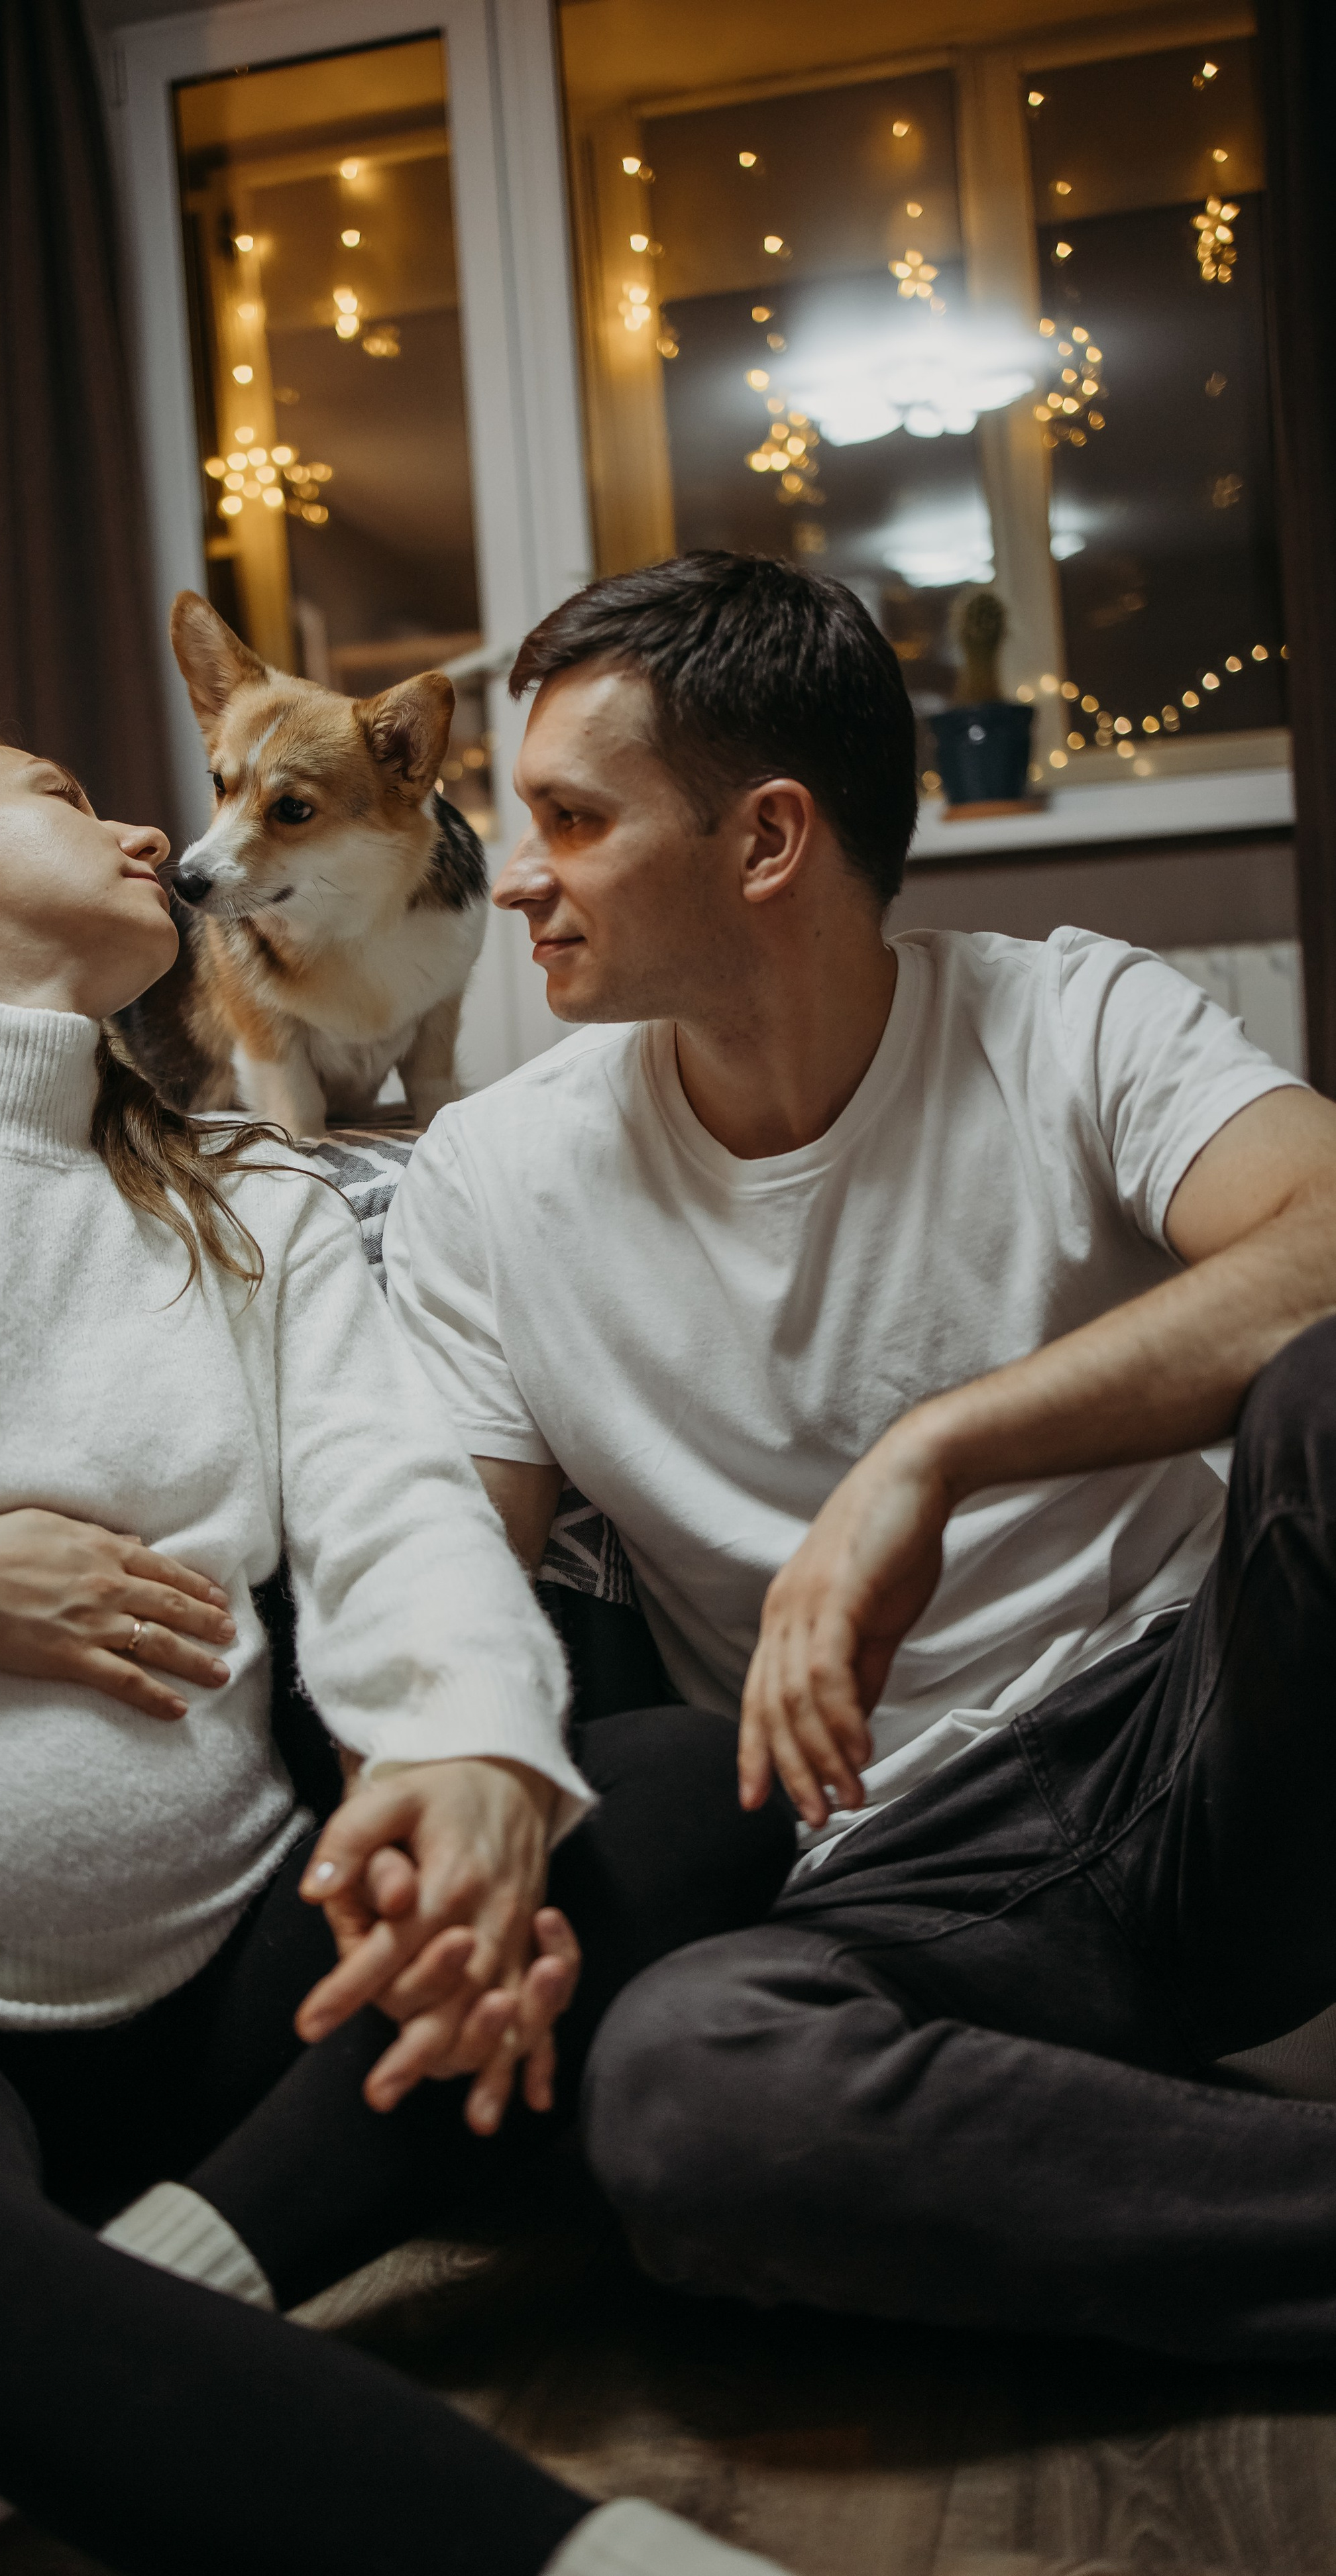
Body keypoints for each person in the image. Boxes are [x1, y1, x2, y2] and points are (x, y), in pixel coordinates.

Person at [0, 730, 801, 2576]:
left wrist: (468, 1768)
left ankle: (22, 2380)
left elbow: (396, 1513)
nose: (150, 829)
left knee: (690, 1790)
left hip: (244, 1984)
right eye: (68, 801)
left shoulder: (251, 1206)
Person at [383, 549, 1336, 2362]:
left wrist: (941, 1446)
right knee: (684, 2095)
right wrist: (440, 1764)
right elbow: (446, 1562)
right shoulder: (492, 1183)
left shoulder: (1070, 1020)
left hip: (1212, 1744)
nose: (517, 877)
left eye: (575, 821)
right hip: (909, 1879)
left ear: (765, 842)